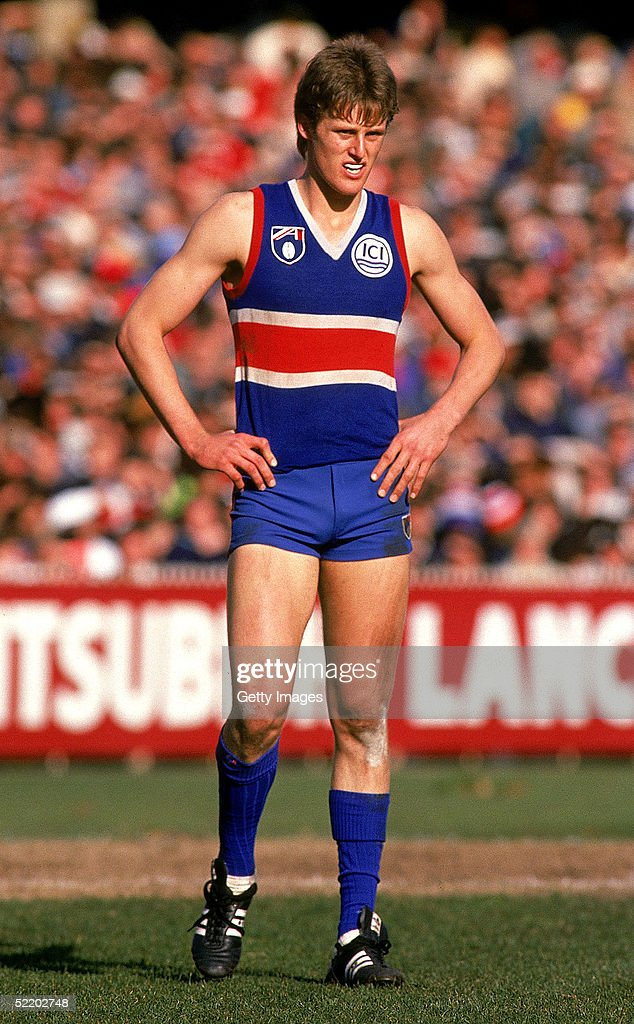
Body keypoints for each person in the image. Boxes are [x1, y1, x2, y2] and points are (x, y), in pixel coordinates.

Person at [116, 33, 505, 987]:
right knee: (256, 710)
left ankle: (356, 931)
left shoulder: (408, 232)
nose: (361, 149)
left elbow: (486, 341)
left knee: (361, 712)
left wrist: (437, 425)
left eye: (375, 132)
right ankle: (233, 883)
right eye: (344, 131)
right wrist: (199, 441)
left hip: (372, 500)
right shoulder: (242, 220)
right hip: (278, 499)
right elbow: (140, 326)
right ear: (304, 129)